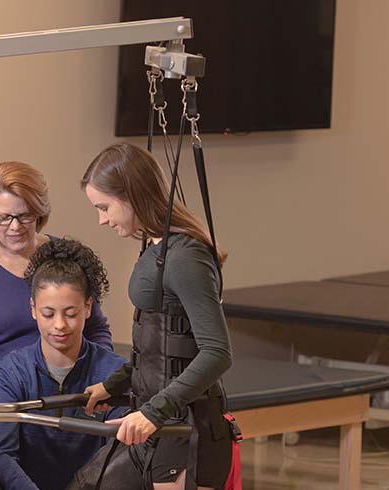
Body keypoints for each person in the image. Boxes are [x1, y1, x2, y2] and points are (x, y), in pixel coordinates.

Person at [75, 142, 233, 489]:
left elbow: (217, 353)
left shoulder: (185, 257)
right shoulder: (156, 246)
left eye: (104, 207)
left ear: (131, 195)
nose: (101, 219)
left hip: (184, 431)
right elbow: (161, 346)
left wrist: (153, 412)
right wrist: (112, 385)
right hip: (158, 425)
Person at [0, 238, 127, 490]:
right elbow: (1, 457)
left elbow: (123, 455)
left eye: (70, 313)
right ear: (33, 309)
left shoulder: (115, 374)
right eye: (49, 313)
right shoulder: (8, 375)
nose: (59, 324)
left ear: (88, 307)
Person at [0, 161, 112, 389]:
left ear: (39, 212)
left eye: (25, 216)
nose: (15, 227)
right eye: (3, 217)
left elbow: (96, 329)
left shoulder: (64, 255)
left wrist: (101, 375)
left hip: (68, 391)